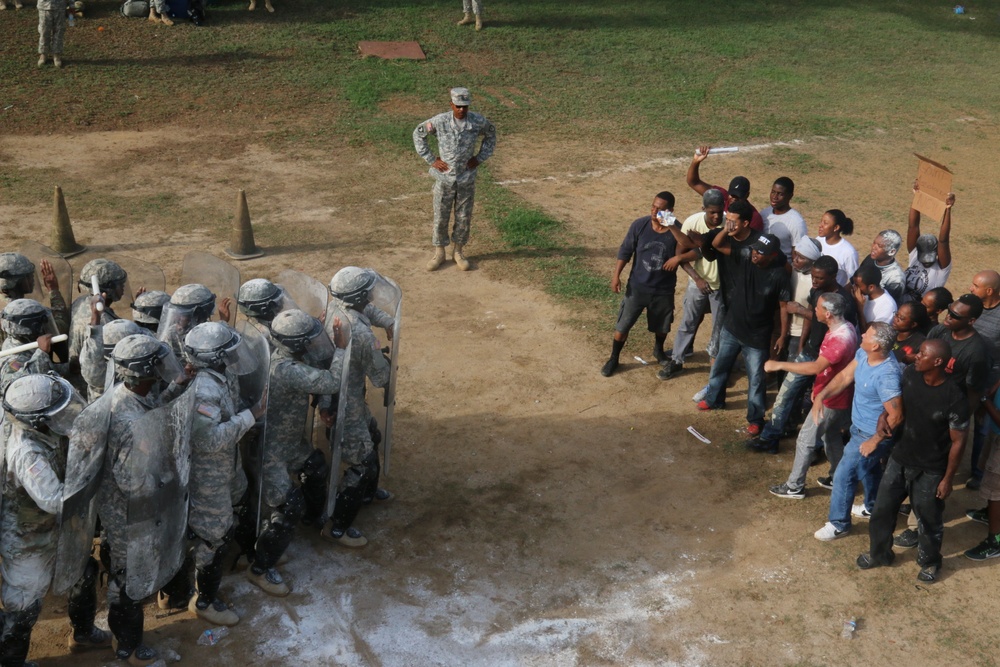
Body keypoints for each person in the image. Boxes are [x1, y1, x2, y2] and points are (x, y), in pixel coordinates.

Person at [0, 375, 112, 667]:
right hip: (30, 539)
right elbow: (55, 500)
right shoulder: (27, 453)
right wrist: (92, 478)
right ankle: (11, 662)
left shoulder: (42, 429)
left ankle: (83, 633)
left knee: (82, 571)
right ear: (37, 421)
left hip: (58, 529)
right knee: (23, 607)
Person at [99, 334, 187, 666]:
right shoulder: (129, 422)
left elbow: (158, 406)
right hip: (128, 515)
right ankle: (127, 646)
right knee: (128, 579)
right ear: (144, 372)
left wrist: (181, 382)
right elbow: (132, 482)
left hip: (128, 510)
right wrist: (165, 477)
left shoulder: (131, 394)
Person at [247, 309, 343, 596]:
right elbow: (331, 381)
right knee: (287, 508)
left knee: (315, 467)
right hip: (272, 451)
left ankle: (315, 520)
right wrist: (342, 349)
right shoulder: (287, 370)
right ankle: (260, 568)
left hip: (291, 441)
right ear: (298, 344)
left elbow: (317, 373)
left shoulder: (284, 353)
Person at [857, 339, 968, 582]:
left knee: (928, 520)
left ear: (937, 362)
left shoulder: (955, 397)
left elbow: (958, 442)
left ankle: (929, 562)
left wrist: (947, 479)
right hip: (899, 458)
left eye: (922, 354)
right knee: (882, 511)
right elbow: (898, 405)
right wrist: (883, 416)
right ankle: (879, 554)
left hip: (931, 469)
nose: (915, 356)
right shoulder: (910, 375)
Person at [182, 322, 265, 625]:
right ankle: (204, 600)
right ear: (215, 357)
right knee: (212, 538)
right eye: (227, 351)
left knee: (238, 507)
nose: (233, 355)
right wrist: (251, 416)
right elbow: (210, 440)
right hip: (209, 477)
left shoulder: (216, 377)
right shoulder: (204, 390)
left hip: (226, 468)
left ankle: (244, 556)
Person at [696, 207, 790, 436]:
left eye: (760, 252)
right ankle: (714, 399)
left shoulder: (779, 275)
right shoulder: (746, 257)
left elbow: (783, 306)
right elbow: (717, 245)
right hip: (732, 326)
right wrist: (726, 230)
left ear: (773, 256)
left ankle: (756, 419)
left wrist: (782, 335)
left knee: (756, 379)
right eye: (755, 250)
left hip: (757, 336)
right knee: (720, 366)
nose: (755, 254)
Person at [320, 268, 392, 546]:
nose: (372, 294)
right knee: (360, 462)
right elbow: (381, 377)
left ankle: (367, 493)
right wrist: (386, 358)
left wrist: (387, 321)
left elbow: (368, 311)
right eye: (368, 291)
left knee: (372, 437)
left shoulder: (336, 307)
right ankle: (336, 526)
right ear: (360, 296)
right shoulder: (362, 336)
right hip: (345, 404)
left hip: (340, 394)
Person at [812, 321, 902, 541]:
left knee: (844, 475)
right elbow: (844, 377)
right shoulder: (864, 355)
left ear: (876, 347)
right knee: (870, 470)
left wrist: (875, 441)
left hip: (870, 435)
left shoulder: (887, 375)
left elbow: (896, 415)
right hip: (858, 428)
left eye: (867, 335)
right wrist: (822, 396)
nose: (862, 335)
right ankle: (872, 506)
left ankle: (839, 524)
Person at [767, 292, 858, 494]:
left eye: (817, 307)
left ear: (827, 314)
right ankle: (839, 477)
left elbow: (816, 367)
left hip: (831, 400)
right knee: (831, 436)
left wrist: (779, 364)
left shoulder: (839, 340)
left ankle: (794, 486)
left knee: (805, 441)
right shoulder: (846, 328)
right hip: (836, 396)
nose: (813, 310)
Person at [413, 87, 496, 271]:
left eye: (465, 106)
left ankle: (458, 252)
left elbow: (491, 134)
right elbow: (418, 134)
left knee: (464, 216)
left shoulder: (477, 121)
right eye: (458, 106)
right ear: (451, 104)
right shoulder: (440, 121)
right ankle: (439, 252)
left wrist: (479, 157)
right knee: (440, 216)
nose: (461, 110)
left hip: (466, 178)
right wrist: (432, 159)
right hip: (445, 178)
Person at [601, 191, 679, 376]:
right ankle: (614, 358)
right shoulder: (640, 225)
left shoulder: (676, 231)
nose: (654, 211)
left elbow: (689, 248)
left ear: (670, 211)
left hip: (663, 290)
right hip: (637, 288)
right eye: (653, 206)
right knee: (623, 326)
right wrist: (616, 276)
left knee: (662, 327)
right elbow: (625, 251)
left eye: (660, 209)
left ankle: (658, 350)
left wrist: (673, 228)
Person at [658, 189, 725, 381]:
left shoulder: (729, 224)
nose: (716, 216)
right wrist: (697, 278)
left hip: (721, 286)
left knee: (718, 330)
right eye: (712, 212)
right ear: (703, 208)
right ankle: (677, 360)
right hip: (698, 284)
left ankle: (717, 369)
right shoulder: (692, 222)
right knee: (688, 322)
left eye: (720, 211)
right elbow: (681, 256)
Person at [685, 146, 763, 231]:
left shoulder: (754, 218)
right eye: (732, 195)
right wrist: (696, 161)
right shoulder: (721, 197)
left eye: (738, 197)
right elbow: (693, 182)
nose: (733, 199)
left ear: (747, 195)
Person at [964, 378, 1000, 560]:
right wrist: (989, 394)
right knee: (989, 479)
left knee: (995, 491)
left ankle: (995, 541)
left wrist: (985, 401)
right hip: (995, 434)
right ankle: (989, 514)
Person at [0, 252, 70, 345]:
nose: (32, 279)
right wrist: (53, 290)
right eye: (28, 276)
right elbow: (60, 327)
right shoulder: (27, 313)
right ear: (17, 281)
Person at [69, 258, 127, 366]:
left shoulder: (80, 302)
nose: (123, 287)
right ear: (108, 289)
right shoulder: (104, 321)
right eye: (120, 284)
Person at [1, 299, 66, 395]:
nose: (46, 329)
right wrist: (41, 354)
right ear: (33, 327)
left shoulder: (30, 343)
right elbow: (15, 386)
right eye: (43, 325)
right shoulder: (13, 356)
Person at [902, 187, 953, 304]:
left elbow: (944, 241)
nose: (925, 262)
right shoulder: (914, 255)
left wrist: (947, 210)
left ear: (936, 253)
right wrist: (917, 198)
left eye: (930, 258)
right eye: (923, 257)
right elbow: (913, 227)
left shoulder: (941, 269)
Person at [760, 177, 807, 258]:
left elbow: (797, 254)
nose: (774, 197)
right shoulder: (764, 214)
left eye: (780, 194)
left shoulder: (796, 222)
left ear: (790, 196)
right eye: (773, 192)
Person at [859, 229, 905, 304]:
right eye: (874, 243)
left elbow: (887, 304)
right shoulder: (870, 258)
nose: (874, 247)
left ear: (892, 251)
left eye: (879, 246)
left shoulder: (896, 279)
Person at [815, 209, 858, 287]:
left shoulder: (848, 252)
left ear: (836, 227)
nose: (820, 225)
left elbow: (854, 280)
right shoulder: (818, 240)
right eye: (821, 221)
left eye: (825, 223)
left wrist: (841, 293)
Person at [852, 261, 897, 332]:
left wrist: (859, 308)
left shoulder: (887, 307)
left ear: (871, 287)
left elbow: (868, 333)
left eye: (857, 286)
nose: (854, 288)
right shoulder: (864, 295)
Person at [890, 302, 930, 367]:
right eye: (896, 314)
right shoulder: (891, 331)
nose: (896, 319)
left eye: (901, 318)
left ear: (913, 324)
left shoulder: (920, 343)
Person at [37, 0, 70, 68]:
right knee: (44, 31)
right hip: (44, 6)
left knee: (59, 31)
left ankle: (56, 54)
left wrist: (72, 5)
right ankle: (43, 54)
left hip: (60, 7)